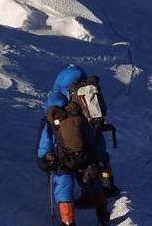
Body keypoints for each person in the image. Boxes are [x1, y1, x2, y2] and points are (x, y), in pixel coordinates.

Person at [37, 65, 110, 226]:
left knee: (63, 187)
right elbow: (95, 136)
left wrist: (43, 157)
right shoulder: (86, 107)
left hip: (62, 158)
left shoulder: (53, 109)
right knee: (93, 182)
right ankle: (103, 216)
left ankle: (68, 222)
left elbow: (46, 137)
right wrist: (100, 158)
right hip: (87, 156)